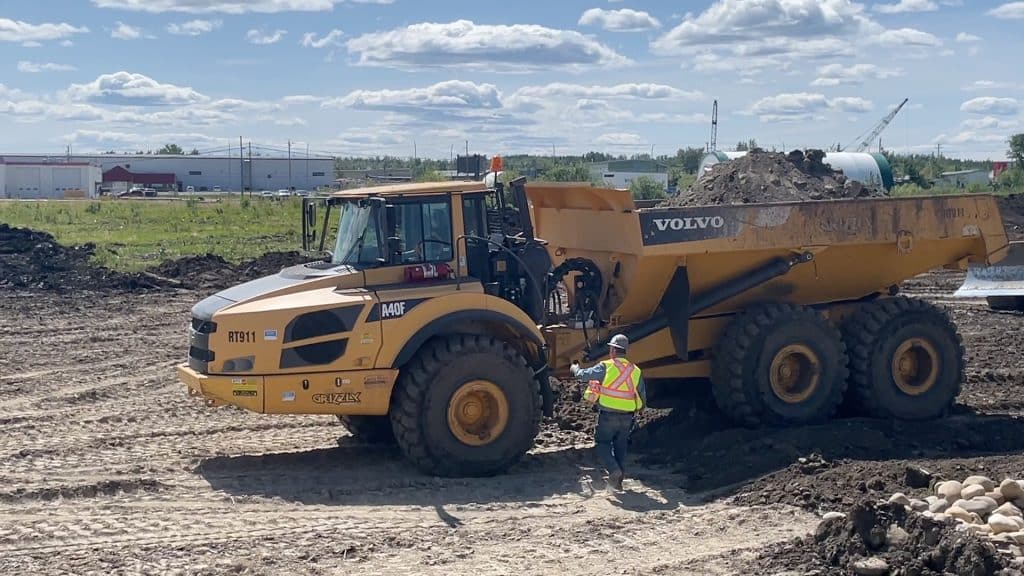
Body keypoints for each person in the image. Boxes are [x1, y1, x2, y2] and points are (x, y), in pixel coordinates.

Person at [570, 334, 645, 491]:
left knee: (602, 443)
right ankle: (618, 482)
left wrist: (575, 368)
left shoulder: (606, 366)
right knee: (621, 447)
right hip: (627, 417)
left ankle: (613, 470)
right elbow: (642, 398)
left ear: (612, 350)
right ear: (625, 351)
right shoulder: (636, 371)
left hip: (608, 416)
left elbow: (583, 376)